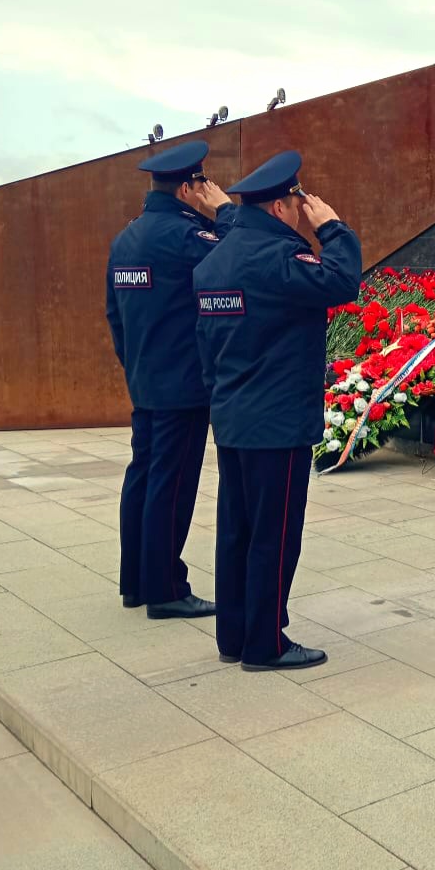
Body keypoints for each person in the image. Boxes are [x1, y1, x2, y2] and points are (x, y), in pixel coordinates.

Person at [193, 150, 362, 671]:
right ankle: (266, 644)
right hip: (277, 422)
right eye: (298, 200)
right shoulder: (277, 259)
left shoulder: (213, 261)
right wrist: (332, 228)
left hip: (235, 418)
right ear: (281, 207)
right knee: (275, 534)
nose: (302, 209)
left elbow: (206, 349)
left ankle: (235, 637)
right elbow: (341, 282)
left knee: (237, 530)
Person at [106, 139, 235, 618]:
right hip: (184, 384)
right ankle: (164, 589)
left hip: (145, 381)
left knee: (142, 475)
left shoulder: (127, 238)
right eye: (202, 182)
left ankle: (136, 581)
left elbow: (113, 315)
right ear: (187, 187)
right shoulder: (189, 238)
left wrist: (135, 364)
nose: (207, 190)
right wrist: (223, 213)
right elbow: (240, 256)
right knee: (172, 483)